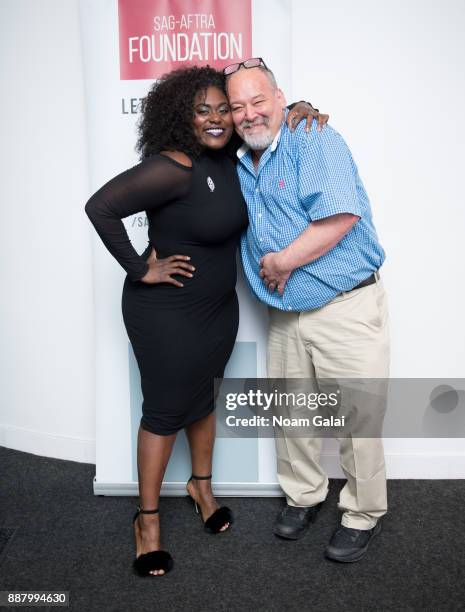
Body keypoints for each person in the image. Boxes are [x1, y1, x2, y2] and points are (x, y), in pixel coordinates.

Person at [85, 65, 327, 576]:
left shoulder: (235, 161)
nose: (217, 119)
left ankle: (202, 486)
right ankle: (146, 522)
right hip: (166, 311)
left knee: (203, 398)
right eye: (204, 111)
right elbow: (101, 206)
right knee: (165, 410)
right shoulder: (174, 166)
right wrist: (139, 268)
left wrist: (298, 109)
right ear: (182, 117)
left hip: (218, 307)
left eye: (225, 109)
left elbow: (268, 126)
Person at [225, 58, 390, 563]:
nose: (249, 114)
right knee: (292, 416)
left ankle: (362, 513)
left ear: (280, 98)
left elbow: (341, 214)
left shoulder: (313, 138)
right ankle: (304, 496)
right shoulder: (236, 160)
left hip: (346, 306)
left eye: (259, 101)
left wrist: (280, 260)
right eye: (237, 107)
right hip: (286, 313)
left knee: (359, 421)